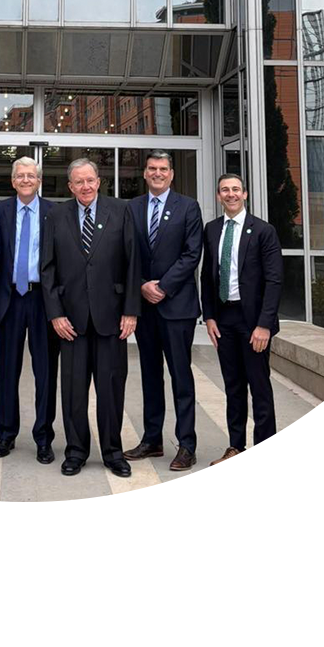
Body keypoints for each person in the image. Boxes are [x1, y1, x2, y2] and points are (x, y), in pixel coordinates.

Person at [40, 157, 140, 477]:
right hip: (71, 322)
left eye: (90, 180)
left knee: (111, 389)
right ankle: (76, 451)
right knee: (73, 390)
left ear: (99, 181)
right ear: (70, 186)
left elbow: (133, 263)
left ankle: (112, 452)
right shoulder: (56, 216)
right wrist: (55, 314)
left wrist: (130, 311)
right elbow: (47, 269)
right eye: (78, 182)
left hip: (112, 319)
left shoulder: (120, 211)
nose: (85, 186)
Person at [123, 151, 205, 471]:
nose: (157, 173)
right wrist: (143, 284)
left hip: (177, 307)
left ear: (171, 174)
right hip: (145, 307)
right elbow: (126, 254)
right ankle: (152, 440)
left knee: (181, 377)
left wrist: (163, 286)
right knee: (150, 376)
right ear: (145, 173)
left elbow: (191, 253)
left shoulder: (188, 207)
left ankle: (186, 444)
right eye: (152, 169)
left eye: (163, 169)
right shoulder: (133, 208)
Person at [200, 172, 284, 462]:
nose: (231, 194)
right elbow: (207, 276)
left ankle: (264, 450)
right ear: (218, 196)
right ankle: (235, 447)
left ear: (245, 194)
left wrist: (264, 325)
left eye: (236, 189)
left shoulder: (263, 230)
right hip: (224, 320)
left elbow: (274, 281)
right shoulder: (211, 229)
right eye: (225, 190)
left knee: (259, 386)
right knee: (233, 387)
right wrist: (209, 316)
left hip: (253, 322)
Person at [0, 156, 59, 465]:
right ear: (13, 180)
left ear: (39, 180)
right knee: (7, 371)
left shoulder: (55, 213)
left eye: (31, 175)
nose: (26, 180)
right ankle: (6, 433)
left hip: (43, 301)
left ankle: (43, 437)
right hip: (9, 299)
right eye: (21, 175)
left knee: (45, 372)